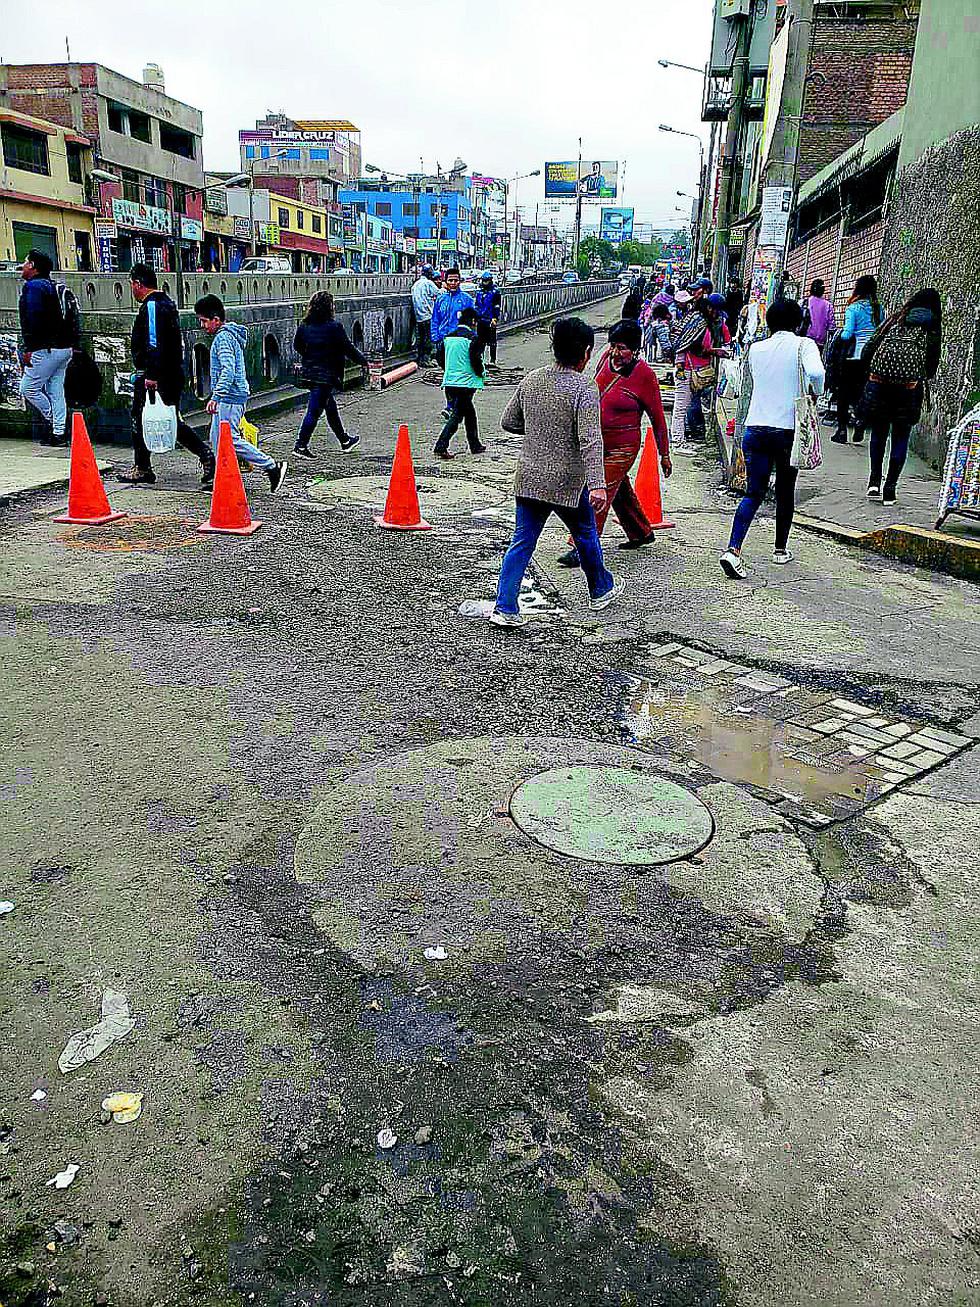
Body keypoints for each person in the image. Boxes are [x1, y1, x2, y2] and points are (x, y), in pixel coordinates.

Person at [489, 317, 624, 628]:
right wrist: (598, 484)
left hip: (530, 478)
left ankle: (505, 606)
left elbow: (509, 422)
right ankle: (600, 589)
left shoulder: (532, 380)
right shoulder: (584, 387)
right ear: (586, 352)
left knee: (522, 541)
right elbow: (591, 439)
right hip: (568, 482)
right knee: (585, 534)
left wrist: (539, 431)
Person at [719, 298, 824, 579]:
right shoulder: (804, 345)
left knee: (753, 492)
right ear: (798, 322)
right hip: (787, 430)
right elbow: (816, 373)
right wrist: (816, 392)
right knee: (785, 491)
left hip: (755, 428)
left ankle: (733, 549)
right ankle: (780, 550)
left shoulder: (756, 349)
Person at [556, 318, 670, 568]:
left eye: (623, 348)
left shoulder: (645, 376)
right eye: (613, 346)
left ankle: (581, 546)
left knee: (598, 492)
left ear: (636, 349)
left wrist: (664, 454)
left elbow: (658, 417)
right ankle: (641, 532)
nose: (616, 353)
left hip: (623, 447)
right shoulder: (605, 359)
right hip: (598, 442)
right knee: (619, 491)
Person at [119, 264, 215, 486]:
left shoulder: (152, 306)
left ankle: (144, 467)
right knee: (166, 419)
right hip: (169, 374)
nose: (132, 289)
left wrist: (151, 374)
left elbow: (154, 342)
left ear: (138, 283)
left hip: (157, 377)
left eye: (132, 284)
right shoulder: (166, 303)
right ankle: (202, 455)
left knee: (144, 419)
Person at [193, 295, 287, 493]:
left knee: (229, 439)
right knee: (217, 439)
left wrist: (216, 396)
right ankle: (223, 480)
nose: (202, 326)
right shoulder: (229, 336)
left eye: (204, 321)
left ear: (216, 319)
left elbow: (228, 370)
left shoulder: (223, 339)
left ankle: (271, 466)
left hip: (229, 397)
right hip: (232, 396)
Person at [860, 288, 942, 505]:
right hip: (909, 389)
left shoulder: (898, 317)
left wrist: (873, 372)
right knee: (901, 436)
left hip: (881, 385)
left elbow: (870, 346)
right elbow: (931, 365)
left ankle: (874, 482)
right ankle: (890, 489)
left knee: (879, 433)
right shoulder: (932, 326)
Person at [293, 291, 367, 457]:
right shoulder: (334, 327)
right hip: (326, 375)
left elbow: (297, 345)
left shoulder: (304, 325)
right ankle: (301, 445)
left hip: (309, 373)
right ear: (329, 308)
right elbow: (348, 348)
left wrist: (309, 355)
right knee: (314, 411)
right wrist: (363, 361)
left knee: (330, 408)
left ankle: (344, 441)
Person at [18, 249, 77, 447]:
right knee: (55, 390)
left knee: (28, 388)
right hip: (64, 349)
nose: (23, 266)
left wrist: (29, 348)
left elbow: (33, 319)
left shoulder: (33, 287)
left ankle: (54, 421)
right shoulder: (53, 286)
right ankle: (58, 433)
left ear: (33, 266)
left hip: (45, 349)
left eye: (26, 262)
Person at [834, 274, 883, 444]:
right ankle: (861, 422)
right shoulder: (879, 309)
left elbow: (847, 334)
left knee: (844, 393)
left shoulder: (853, 308)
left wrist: (840, 335)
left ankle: (841, 430)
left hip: (854, 357)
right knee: (863, 392)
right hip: (872, 358)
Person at [434, 306, 486, 459]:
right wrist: (481, 373)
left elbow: (440, 358)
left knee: (470, 414)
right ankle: (441, 446)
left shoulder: (448, 337)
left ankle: (475, 445)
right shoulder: (473, 339)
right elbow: (475, 360)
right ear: (473, 321)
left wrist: (450, 370)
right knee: (457, 416)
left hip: (450, 382)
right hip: (466, 384)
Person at [683, 293, 731, 443]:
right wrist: (714, 351)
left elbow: (727, 338)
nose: (717, 315)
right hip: (692, 366)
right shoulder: (699, 323)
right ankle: (695, 432)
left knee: (695, 399)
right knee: (692, 401)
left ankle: (695, 431)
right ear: (710, 308)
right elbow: (694, 348)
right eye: (716, 312)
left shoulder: (712, 322)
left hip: (702, 366)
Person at [430, 267, 475, 362]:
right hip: (442, 339)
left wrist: (473, 340)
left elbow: (473, 322)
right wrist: (435, 337)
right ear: (445, 281)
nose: (453, 283)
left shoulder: (467, 300)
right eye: (450, 280)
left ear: (460, 281)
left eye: (456, 280)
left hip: (459, 341)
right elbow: (435, 320)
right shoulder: (440, 299)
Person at [410, 265, 440, 366]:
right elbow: (439, 293)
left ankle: (421, 359)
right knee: (428, 339)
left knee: (422, 339)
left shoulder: (415, 284)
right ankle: (426, 360)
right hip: (428, 315)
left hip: (419, 317)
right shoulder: (428, 283)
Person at [800, 279, 836, 352]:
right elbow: (832, 327)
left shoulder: (803, 303)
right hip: (820, 342)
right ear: (823, 290)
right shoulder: (828, 305)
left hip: (804, 338)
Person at [474, 272, 502, 367]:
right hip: (480, 319)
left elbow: (497, 306)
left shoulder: (495, 293)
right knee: (480, 341)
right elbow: (477, 306)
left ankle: (492, 360)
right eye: (484, 281)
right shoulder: (479, 293)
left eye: (487, 281)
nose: (485, 283)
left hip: (490, 319)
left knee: (492, 341)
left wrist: (495, 318)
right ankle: (480, 359)